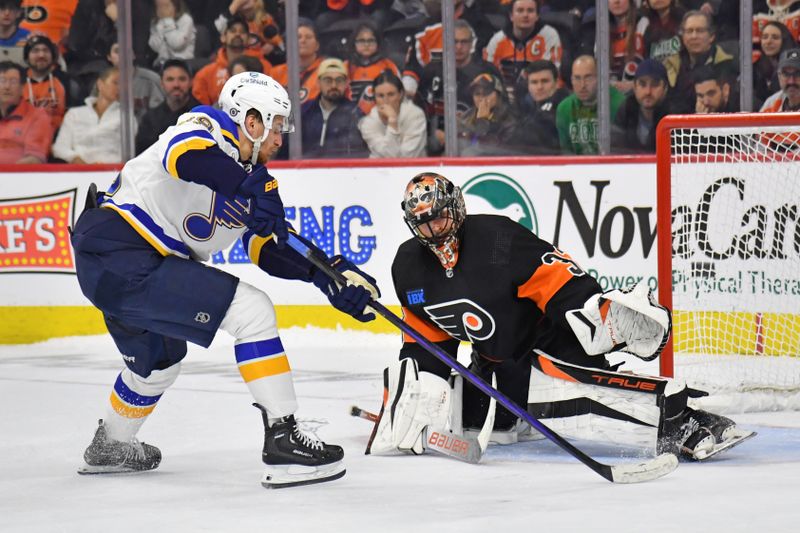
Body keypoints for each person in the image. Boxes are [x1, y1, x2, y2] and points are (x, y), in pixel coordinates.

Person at [70, 71, 380, 488]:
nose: (279, 138)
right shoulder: (207, 128)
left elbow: (268, 246)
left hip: (119, 267)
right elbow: (184, 156)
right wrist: (251, 186)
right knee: (252, 311)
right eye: (276, 126)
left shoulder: (249, 179)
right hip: (122, 248)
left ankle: (111, 445)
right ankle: (283, 437)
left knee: (159, 363)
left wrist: (327, 277)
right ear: (251, 120)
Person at [366, 172, 753, 463]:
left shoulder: (498, 239)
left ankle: (684, 420)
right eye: (423, 223)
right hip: (496, 364)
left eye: (439, 218)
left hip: (552, 344)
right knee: (472, 417)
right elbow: (427, 343)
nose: (433, 230)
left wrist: (600, 316)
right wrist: (413, 395)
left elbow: (561, 282)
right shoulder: (408, 266)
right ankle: (507, 413)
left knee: (578, 398)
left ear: (457, 208)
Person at [416, 19, 500, 156]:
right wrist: (432, 131)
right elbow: (420, 110)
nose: (459, 47)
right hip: (437, 140)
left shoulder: (487, 71)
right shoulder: (431, 72)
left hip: (477, 140)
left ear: (472, 43)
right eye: (454, 42)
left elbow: (502, 111)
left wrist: (476, 131)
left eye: (464, 42)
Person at [483, 0, 563, 103]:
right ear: (511, 16)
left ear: (537, 15)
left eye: (530, 11)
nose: (525, 15)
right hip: (505, 96)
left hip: (543, 94)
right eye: (520, 11)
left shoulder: (549, 35)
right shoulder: (497, 40)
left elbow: (552, 72)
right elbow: (487, 75)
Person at [52, 66, 129, 163]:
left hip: (112, 171)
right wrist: (76, 160)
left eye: (125, 85)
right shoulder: (75, 114)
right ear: (100, 84)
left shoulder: (126, 117)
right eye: (116, 83)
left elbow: (126, 154)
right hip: (78, 171)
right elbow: (60, 148)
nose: (120, 88)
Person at [662, 10, 734, 114]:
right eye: (689, 31)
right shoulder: (671, 65)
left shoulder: (725, 64)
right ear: (683, 37)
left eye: (700, 31)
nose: (694, 36)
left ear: (711, 36)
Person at [192, 16, 271, 106]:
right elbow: (202, 110)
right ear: (223, 37)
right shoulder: (205, 74)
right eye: (233, 31)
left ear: (249, 39)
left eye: (242, 32)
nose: (237, 34)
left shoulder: (264, 66)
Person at [556, 55, 625, 155]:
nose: (582, 85)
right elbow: (566, 153)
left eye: (588, 78)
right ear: (571, 80)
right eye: (577, 78)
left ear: (600, 78)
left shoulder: (620, 104)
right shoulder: (564, 108)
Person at [300, 58, 367, 159]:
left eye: (339, 80)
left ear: (346, 84)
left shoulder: (355, 114)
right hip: (304, 171)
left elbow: (361, 154)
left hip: (342, 172)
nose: (334, 85)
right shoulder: (304, 112)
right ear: (318, 83)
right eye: (328, 80)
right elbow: (285, 151)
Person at [135, 58, 199, 155]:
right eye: (170, 79)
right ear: (161, 83)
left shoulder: (202, 115)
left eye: (182, 79)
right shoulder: (150, 119)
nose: (176, 85)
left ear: (191, 82)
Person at [358, 70, 427, 158]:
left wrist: (392, 120)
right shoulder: (368, 123)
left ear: (401, 94)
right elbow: (390, 156)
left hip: (414, 170)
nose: (386, 101)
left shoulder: (415, 115)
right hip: (380, 171)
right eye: (380, 96)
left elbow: (409, 157)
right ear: (374, 97)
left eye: (391, 94)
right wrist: (392, 122)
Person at [613, 58, 669, 153]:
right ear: (634, 87)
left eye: (655, 85)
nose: (648, 91)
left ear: (665, 88)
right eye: (642, 84)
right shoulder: (626, 109)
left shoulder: (675, 115)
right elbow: (616, 150)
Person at [514, 59, 569, 155]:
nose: (539, 87)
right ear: (528, 86)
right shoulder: (527, 108)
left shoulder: (564, 105)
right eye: (534, 82)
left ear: (557, 83)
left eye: (545, 81)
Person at [0, 60, 51, 163]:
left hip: (18, 176)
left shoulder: (37, 116)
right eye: (2, 81)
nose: (7, 87)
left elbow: (35, 158)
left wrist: (6, 175)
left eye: (13, 81)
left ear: (22, 87)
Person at [457, 72, 517, 156]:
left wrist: (482, 121)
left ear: (498, 94)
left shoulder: (510, 121)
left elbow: (489, 150)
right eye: (477, 94)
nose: (482, 98)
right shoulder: (466, 116)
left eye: (487, 93)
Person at [345, 20, 399, 113]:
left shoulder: (388, 66)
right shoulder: (346, 66)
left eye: (371, 40)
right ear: (354, 43)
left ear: (378, 43)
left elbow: (398, 94)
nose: (366, 45)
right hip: (349, 118)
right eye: (361, 41)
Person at [268, 18, 323, 107]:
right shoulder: (276, 73)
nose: (303, 40)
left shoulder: (325, 71)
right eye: (298, 37)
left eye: (308, 37)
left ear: (317, 45)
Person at [106, 42, 164, 122]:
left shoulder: (151, 79)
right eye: (117, 51)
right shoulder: (103, 83)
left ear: (133, 55)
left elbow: (162, 113)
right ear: (109, 57)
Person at [23, 34, 69, 131]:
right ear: (27, 57)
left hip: (58, 136)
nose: (41, 55)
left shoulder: (66, 80)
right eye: (35, 51)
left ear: (52, 56)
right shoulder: (18, 80)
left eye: (45, 50)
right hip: (23, 136)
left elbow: (74, 116)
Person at [753, 21, 795, 105]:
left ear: (785, 41)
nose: (768, 42)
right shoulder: (754, 68)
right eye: (765, 37)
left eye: (775, 37)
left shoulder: (796, 66)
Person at [148, 0, 196, 70]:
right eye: (159, 6)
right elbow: (155, 47)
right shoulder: (156, 22)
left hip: (182, 63)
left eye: (166, 6)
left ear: (176, 6)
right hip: (162, 63)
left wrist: (168, 21)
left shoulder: (186, 20)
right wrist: (161, 24)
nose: (163, 10)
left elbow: (176, 45)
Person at [761, 48, 800, 113]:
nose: (791, 81)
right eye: (786, 74)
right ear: (779, 76)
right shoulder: (771, 103)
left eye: (798, 74)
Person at [0, 0, 29, 65]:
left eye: (12, 8)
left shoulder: (28, 37)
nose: (7, 13)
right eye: (2, 8)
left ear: (19, 12)